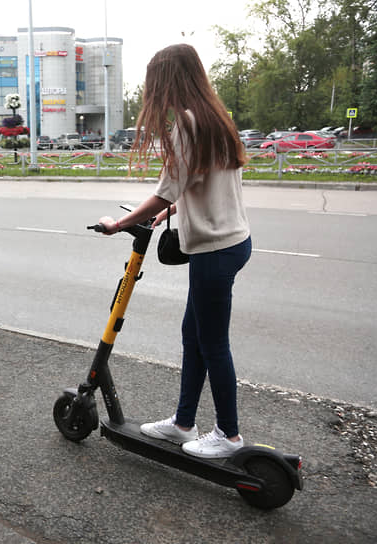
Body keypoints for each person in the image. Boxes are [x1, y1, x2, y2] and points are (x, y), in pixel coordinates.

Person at [97, 44, 251, 459]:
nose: (153, 94)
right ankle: (184, 423)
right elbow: (199, 186)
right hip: (232, 242)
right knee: (194, 335)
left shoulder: (187, 124)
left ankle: (229, 436)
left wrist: (119, 224)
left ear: (168, 81)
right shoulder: (215, 118)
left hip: (214, 250)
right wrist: (170, 213)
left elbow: (165, 190)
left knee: (213, 342)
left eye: (155, 84)